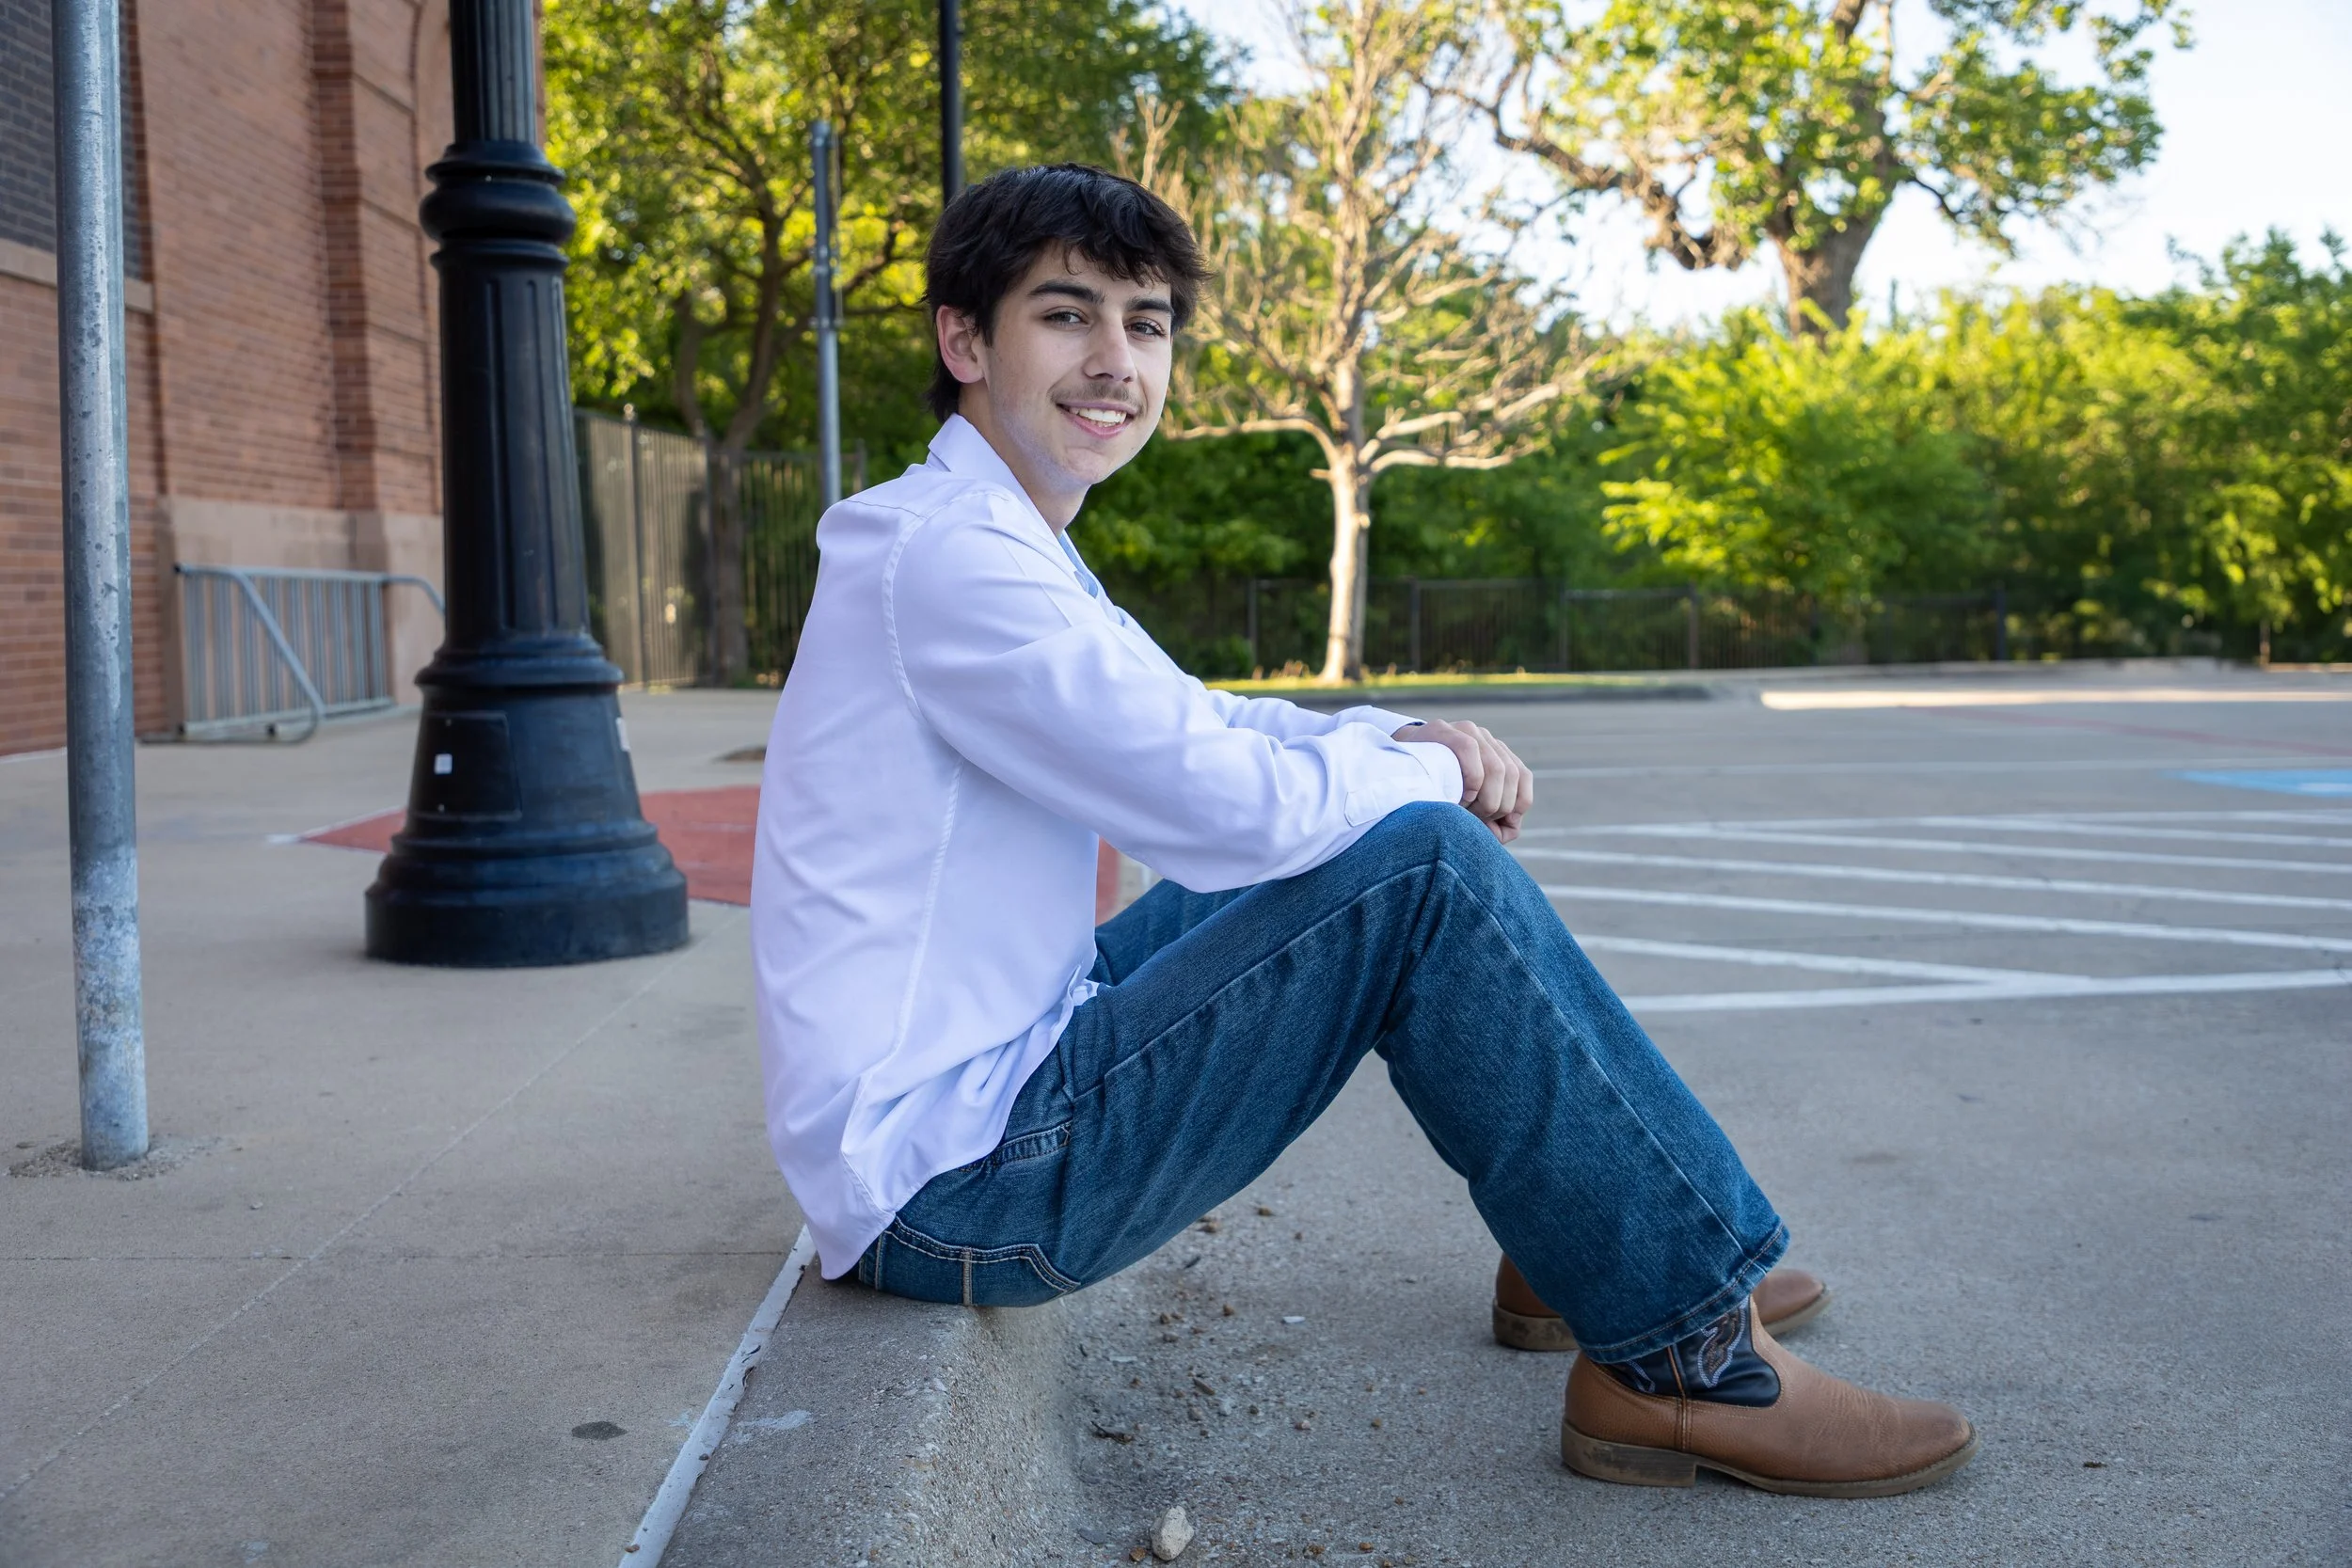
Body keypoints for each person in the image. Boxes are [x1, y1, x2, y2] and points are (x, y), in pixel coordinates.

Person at [749, 163, 1975, 1497]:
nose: (1116, 360)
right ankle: (1682, 1359)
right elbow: (1222, 808)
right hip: (963, 1183)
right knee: (1419, 867)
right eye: (1067, 314)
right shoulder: (951, 558)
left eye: (1146, 323)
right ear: (964, 339)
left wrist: (1402, 740)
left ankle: (1604, 1243)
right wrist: (1432, 778)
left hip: (1005, 1070)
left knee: (1388, 826)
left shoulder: (994, 532)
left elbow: (1206, 721)